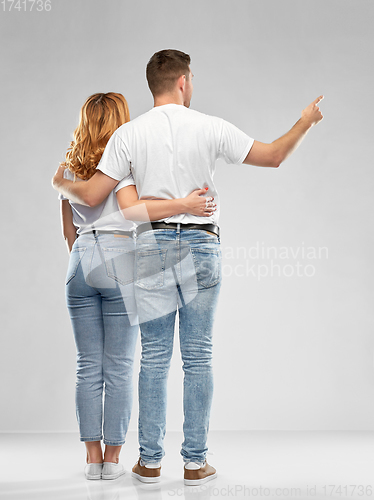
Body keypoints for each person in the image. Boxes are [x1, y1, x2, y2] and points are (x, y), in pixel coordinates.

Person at [52, 50, 323, 485]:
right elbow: (273, 156)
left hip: (152, 246)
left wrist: (61, 179)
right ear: (182, 81)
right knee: (198, 357)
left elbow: (99, 196)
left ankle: (149, 462)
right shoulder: (211, 126)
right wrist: (306, 121)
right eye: (192, 78)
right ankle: (195, 464)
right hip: (202, 245)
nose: (192, 84)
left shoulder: (128, 135)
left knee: (154, 358)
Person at [58, 91, 216, 481]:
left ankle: (92, 458)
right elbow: (138, 212)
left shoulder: (67, 169)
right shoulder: (127, 163)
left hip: (80, 259)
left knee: (87, 366)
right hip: (122, 259)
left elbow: (67, 232)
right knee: (122, 365)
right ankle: (113, 460)